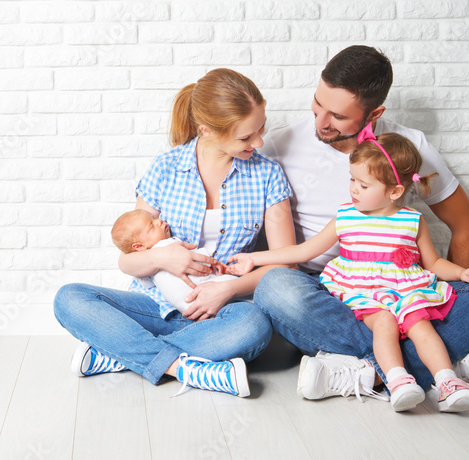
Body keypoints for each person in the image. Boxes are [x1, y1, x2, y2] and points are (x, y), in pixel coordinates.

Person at [254, 45, 469, 400]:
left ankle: (368, 372)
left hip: (407, 291)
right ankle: (441, 365)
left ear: (375, 112)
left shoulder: (410, 147)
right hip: (335, 295)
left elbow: (467, 225)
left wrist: (439, 295)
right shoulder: (280, 144)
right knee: (276, 288)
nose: (320, 122)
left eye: (337, 115)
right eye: (318, 104)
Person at [53, 68, 295, 397]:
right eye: (245, 137)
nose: (259, 142)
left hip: (222, 314)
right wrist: (162, 257)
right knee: (69, 298)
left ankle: (121, 356)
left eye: (260, 130)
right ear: (207, 130)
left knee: (254, 326)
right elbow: (128, 263)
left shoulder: (268, 175)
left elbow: (285, 265)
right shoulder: (166, 169)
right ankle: (186, 367)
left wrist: (228, 290)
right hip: (155, 307)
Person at [234, 127, 469, 412]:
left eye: (364, 185)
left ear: (394, 191)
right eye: (352, 179)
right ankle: (397, 379)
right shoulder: (345, 216)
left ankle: (447, 382)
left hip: (405, 292)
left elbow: (434, 263)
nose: (354, 188)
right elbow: (304, 251)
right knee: (384, 323)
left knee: (421, 325)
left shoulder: (413, 220)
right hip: (364, 293)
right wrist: (255, 259)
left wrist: (460, 272)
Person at [110, 208, 236, 314]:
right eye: (152, 226)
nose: (159, 221)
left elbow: (146, 284)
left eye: (154, 218)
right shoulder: (169, 244)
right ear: (139, 246)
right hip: (199, 288)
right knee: (233, 282)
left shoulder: (144, 264)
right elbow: (196, 257)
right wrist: (214, 262)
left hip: (183, 305)